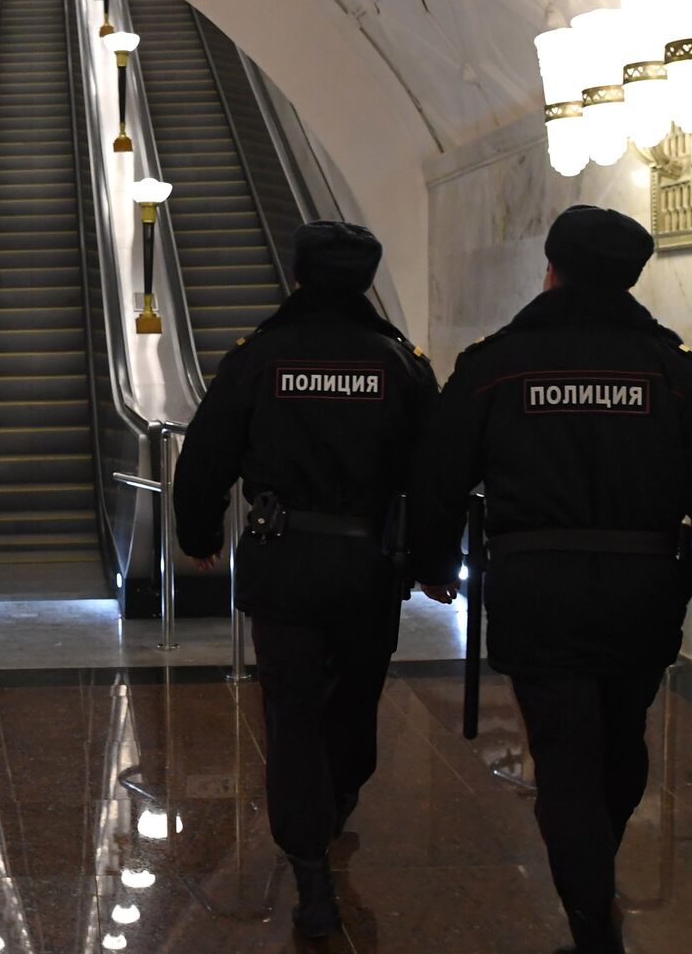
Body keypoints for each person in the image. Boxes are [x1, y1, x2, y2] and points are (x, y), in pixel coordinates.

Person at [407, 204, 692, 954]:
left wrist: (427, 564)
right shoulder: (671, 369)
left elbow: (437, 476)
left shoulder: (495, 365)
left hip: (535, 593)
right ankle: (593, 901)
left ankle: (591, 924)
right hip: (643, 596)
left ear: (549, 272)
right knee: (620, 748)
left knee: (565, 757)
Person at [172, 221, 438, 939]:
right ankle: (340, 795)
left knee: (291, 713)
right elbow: (435, 474)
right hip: (369, 567)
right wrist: (437, 562)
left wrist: (198, 536)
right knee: (354, 698)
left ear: (297, 276)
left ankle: (309, 865)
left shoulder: (260, 358)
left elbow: (204, 457)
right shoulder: (399, 364)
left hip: (283, 563)